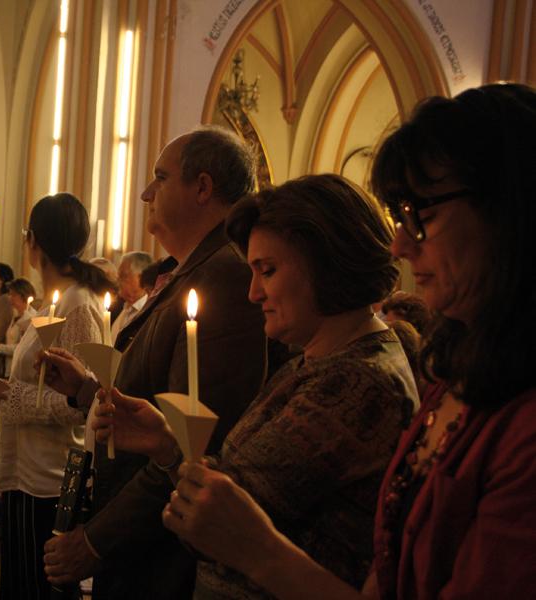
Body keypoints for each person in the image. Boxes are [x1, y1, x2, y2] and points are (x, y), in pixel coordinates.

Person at [148, 83, 536, 599]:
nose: (400, 243)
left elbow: (222, 514)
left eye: (423, 214)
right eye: (400, 217)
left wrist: (261, 552)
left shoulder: (512, 424)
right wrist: (164, 442)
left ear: (511, 211)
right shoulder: (457, 376)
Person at [93, 173, 418, 598]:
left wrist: (182, 463)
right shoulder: (316, 360)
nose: (252, 293)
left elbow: (212, 521)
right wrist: (171, 447)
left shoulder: (355, 383)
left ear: (328, 264)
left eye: (267, 270)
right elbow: (227, 492)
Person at [39, 126, 268, 599]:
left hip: (161, 560)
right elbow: (151, 401)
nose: (146, 193)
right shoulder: (190, 272)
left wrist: (97, 541)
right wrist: (86, 389)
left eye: (160, 178)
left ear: (202, 188)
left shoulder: (224, 280)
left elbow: (194, 440)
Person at [0, 193, 113, 600]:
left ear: (33, 242)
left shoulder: (78, 305)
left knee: (33, 591)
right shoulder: (55, 302)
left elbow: (78, 404)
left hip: (49, 478)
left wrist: (1, 389)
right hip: (24, 469)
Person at [0, 278, 38, 378]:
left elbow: (24, 347)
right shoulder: (15, 315)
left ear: (23, 296)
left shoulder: (32, 318)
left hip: (21, 371)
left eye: (13, 295)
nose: (10, 298)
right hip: (8, 368)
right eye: (9, 294)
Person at [110, 251, 153, 344]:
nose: (118, 281)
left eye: (124, 276)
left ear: (142, 278)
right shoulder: (117, 308)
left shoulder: (149, 312)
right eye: (118, 276)